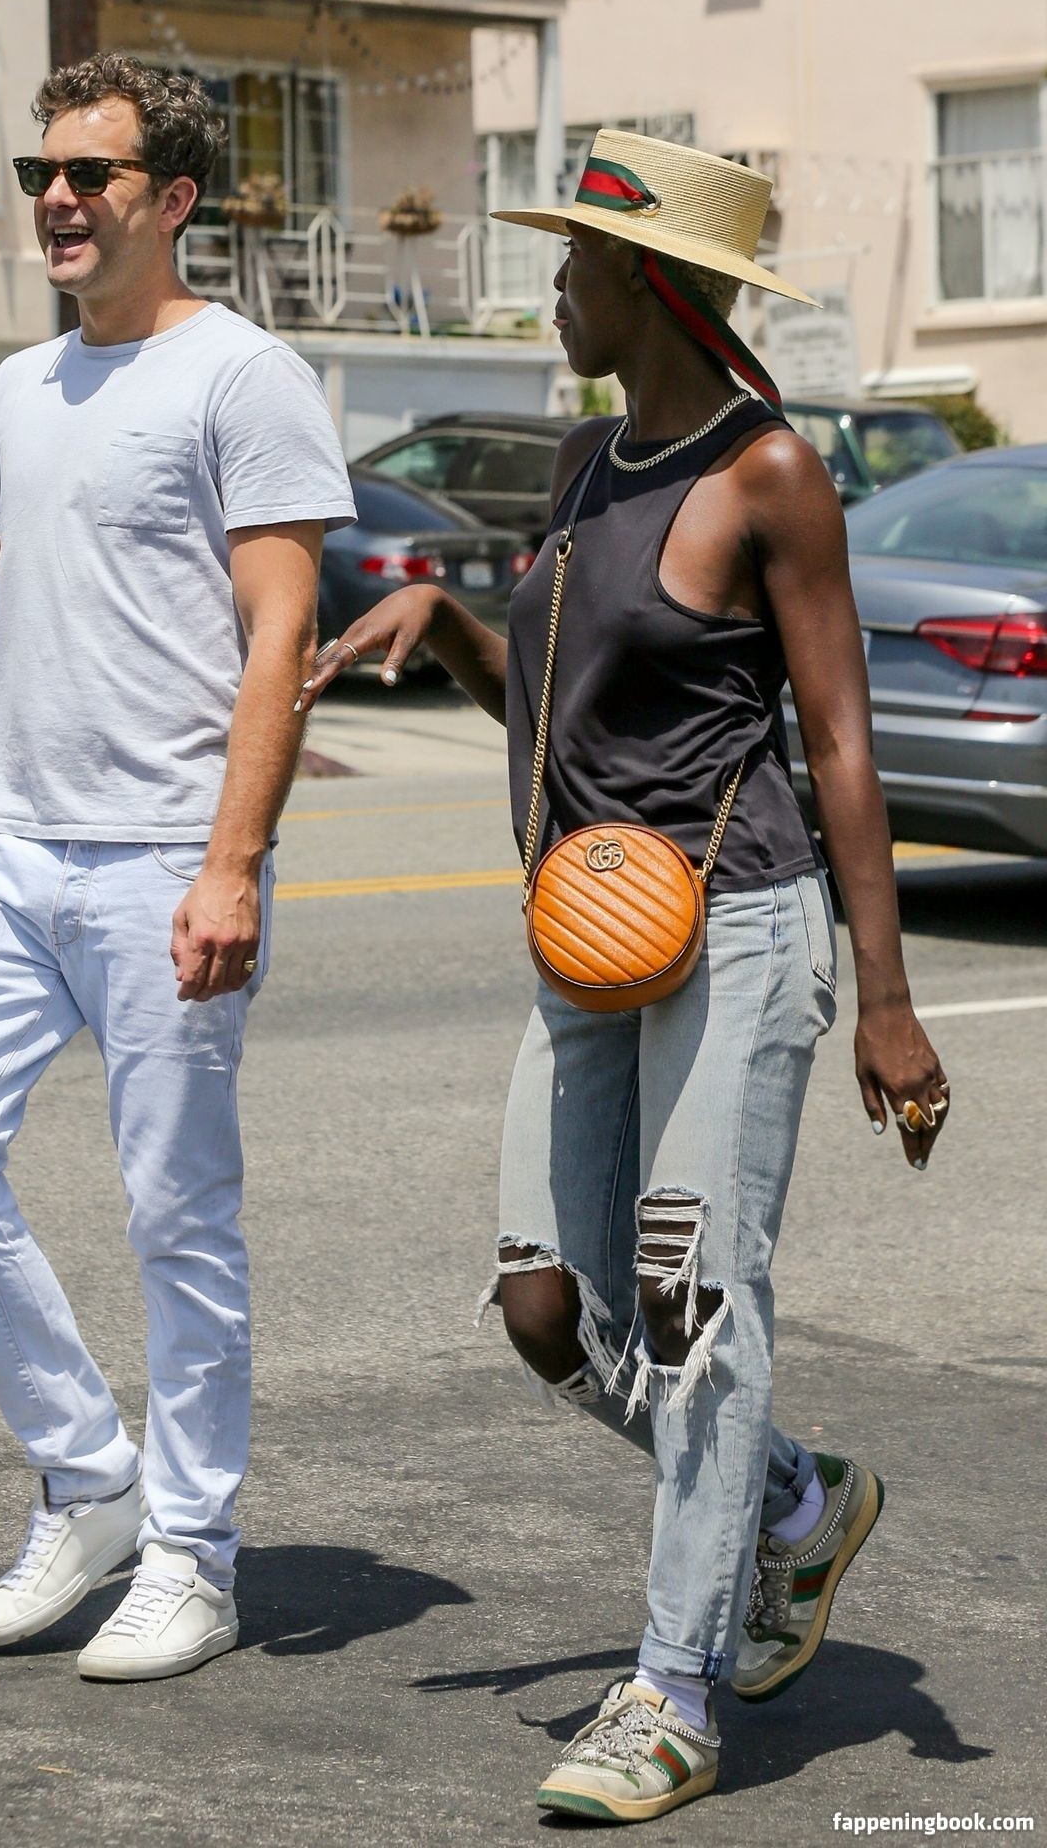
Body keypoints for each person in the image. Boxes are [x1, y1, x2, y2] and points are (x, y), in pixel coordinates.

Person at [297, 131, 950, 1822]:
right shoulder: (588, 461)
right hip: (591, 936)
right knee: (550, 1311)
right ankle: (796, 1507)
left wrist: (887, 1000)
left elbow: (841, 743)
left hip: (739, 931)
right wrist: (450, 628)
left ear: (654, 282)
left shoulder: (769, 474)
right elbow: (565, 707)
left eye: (578, 262)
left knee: (692, 1309)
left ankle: (674, 1694)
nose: (555, 290)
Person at [0, 53, 355, 1682]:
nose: (59, 200)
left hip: (164, 859)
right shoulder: (22, 387)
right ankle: (90, 1479)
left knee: (177, 1219)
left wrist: (234, 866)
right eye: (42, 176)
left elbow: (281, 632)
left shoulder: (245, 377)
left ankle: (195, 1559)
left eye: (91, 175)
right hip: (13, 859)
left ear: (175, 198)